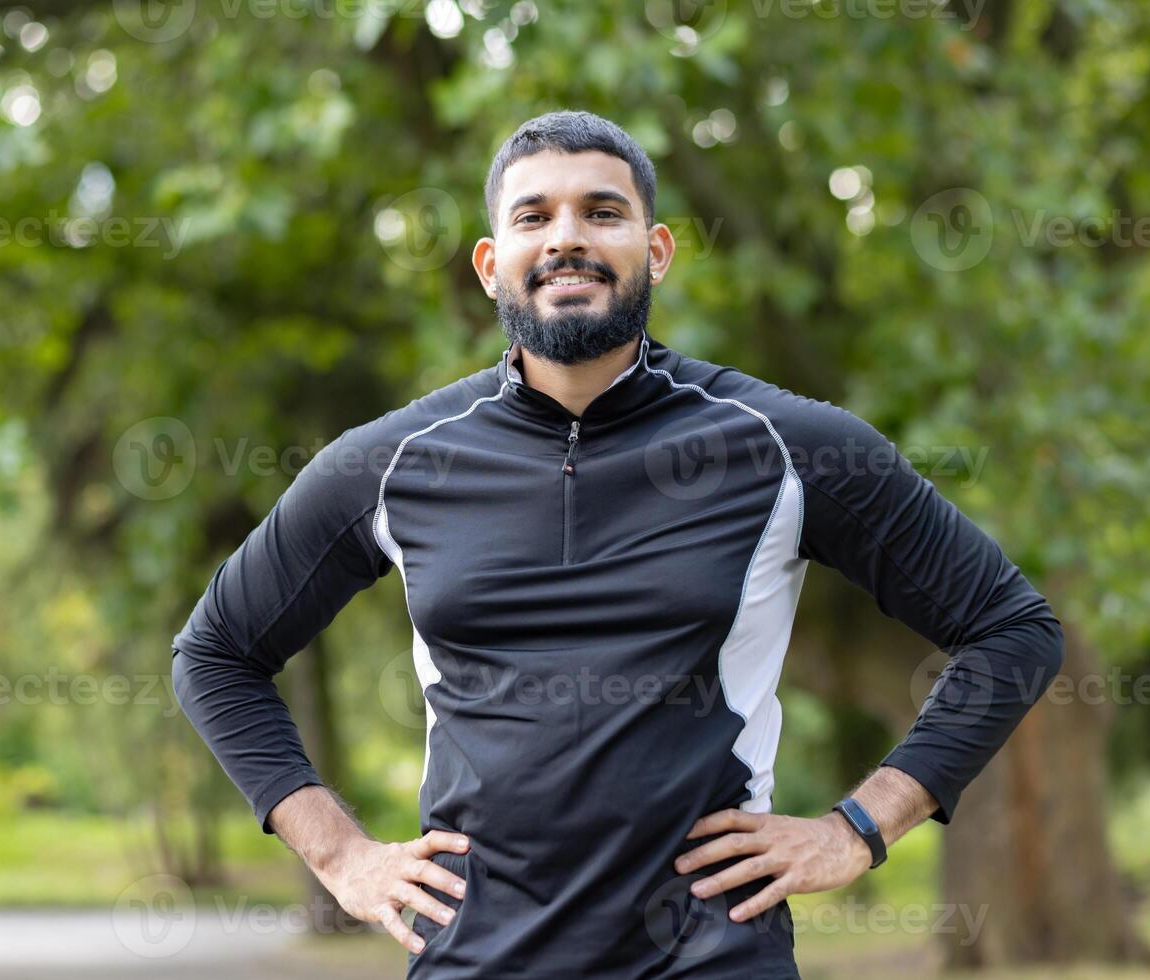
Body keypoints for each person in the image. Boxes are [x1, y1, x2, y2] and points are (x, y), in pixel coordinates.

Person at [170, 110, 1064, 978]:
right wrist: (340, 856)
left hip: (712, 956)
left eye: (602, 212)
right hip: (476, 956)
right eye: (533, 217)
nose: (567, 238)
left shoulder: (789, 445)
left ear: (657, 251)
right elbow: (214, 652)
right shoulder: (395, 462)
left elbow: (1012, 628)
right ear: (491, 265)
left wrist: (857, 829)